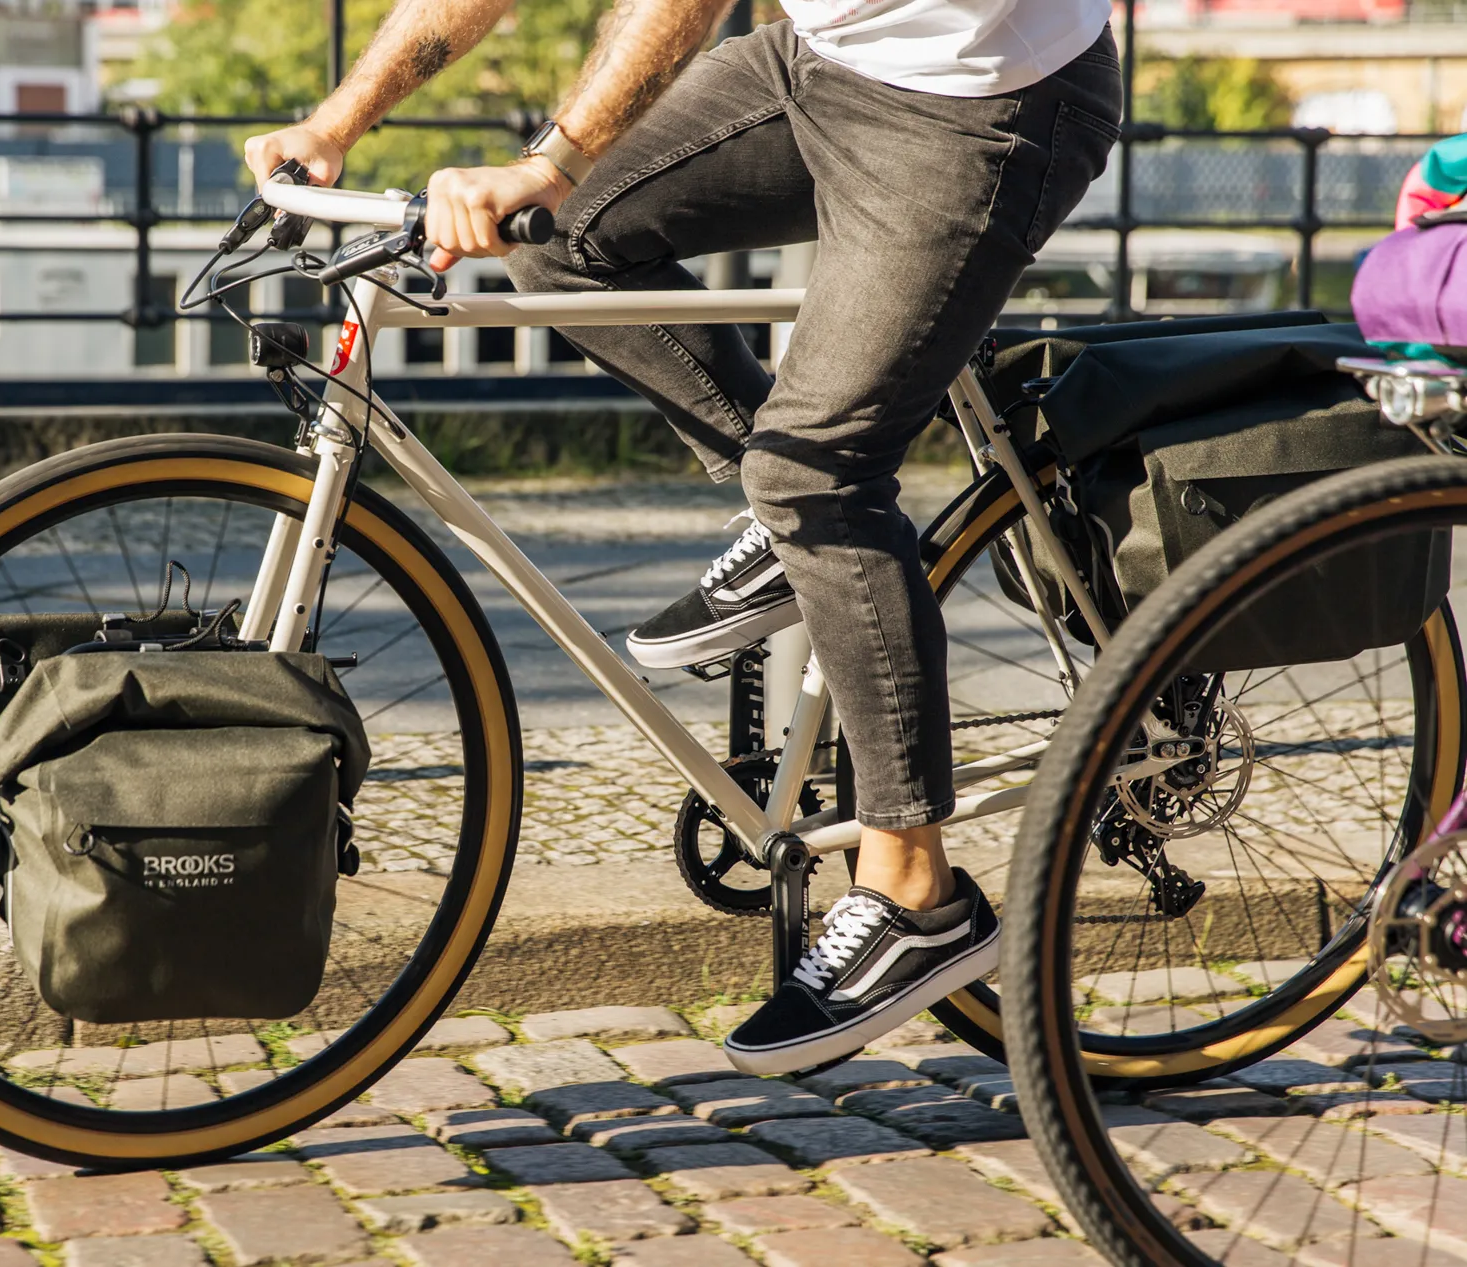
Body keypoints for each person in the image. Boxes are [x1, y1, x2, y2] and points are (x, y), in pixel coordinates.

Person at [246, 0, 1122, 1074]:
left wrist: (552, 160)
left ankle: (912, 892)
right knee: (561, 246)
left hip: (983, 101)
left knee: (816, 475)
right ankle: (788, 520)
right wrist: (340, 118)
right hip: (819, 58)